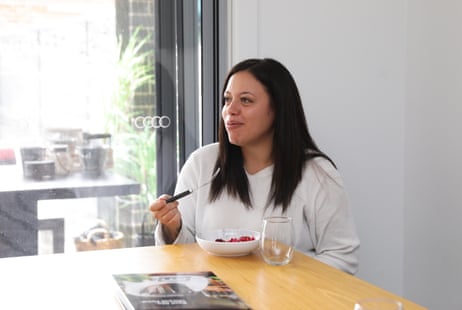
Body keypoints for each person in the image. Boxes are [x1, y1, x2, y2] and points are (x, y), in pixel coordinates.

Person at [149, 58, 360, 274]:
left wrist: (284, 280)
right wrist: (172, 227)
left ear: (277, 108)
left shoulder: (316, 173)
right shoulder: (202, 163)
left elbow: (343, 257)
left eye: (246, 101)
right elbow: (183, 254)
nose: (230, 110)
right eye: (227, 100)